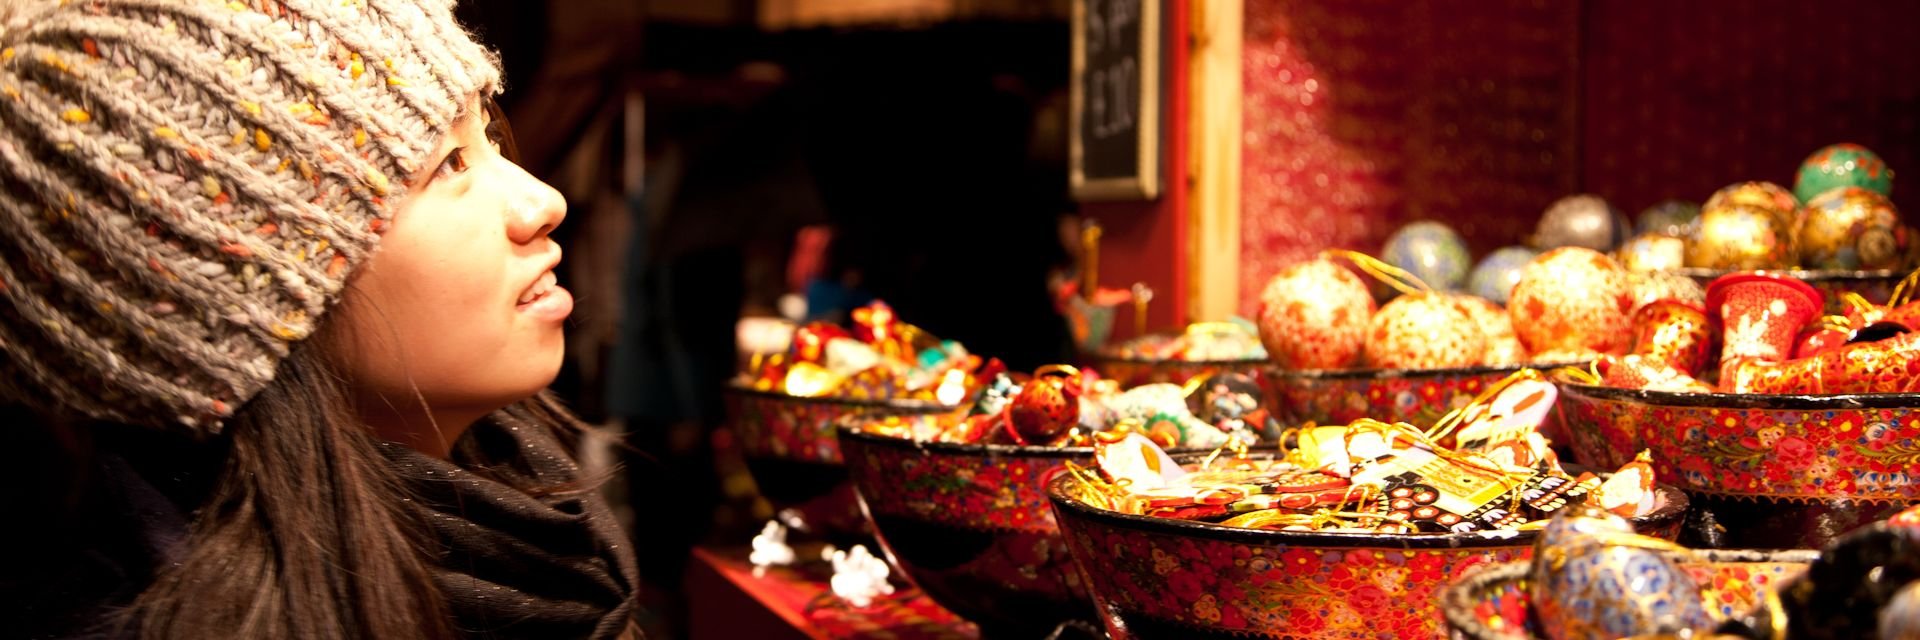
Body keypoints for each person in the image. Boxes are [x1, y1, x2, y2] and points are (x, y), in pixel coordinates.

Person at [0, 1, 638, 638]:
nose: (542, 201)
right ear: (234, 303)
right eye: (448, 164)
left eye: (488, 137)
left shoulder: (533, 530)